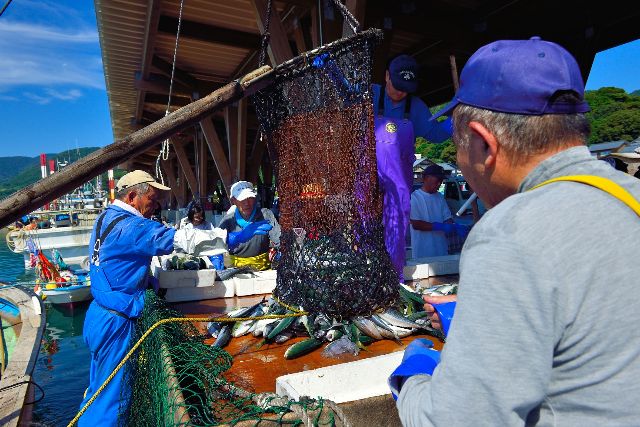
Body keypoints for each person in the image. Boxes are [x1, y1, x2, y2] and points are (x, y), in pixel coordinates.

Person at [390, 37, 640, 425]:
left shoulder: (509, 232)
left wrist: (412, 377)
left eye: (458, 145)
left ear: (484, 144)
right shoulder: (629, 195)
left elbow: (454, 420)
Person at [79, 171, 271, 426]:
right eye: (152, 198)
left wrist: (146, 280)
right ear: (133, 196)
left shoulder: (106, 217)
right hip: (116, 322)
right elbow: (180, 240)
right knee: (113, 399)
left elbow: (114, 262)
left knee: (99, 388)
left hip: (98, 315)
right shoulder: (131, 226)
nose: (156, 204)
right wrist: (230, 238)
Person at [372, 54, 452, 282]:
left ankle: (392, 277)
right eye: (397, 86)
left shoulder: (416, 107)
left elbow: (435, 134)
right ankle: (362, 275)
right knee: (363, 223)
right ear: (386, 76)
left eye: (406, 89)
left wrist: (455, 122)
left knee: (396, 227)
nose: (400, 93)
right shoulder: (368, 94)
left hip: (398, 184)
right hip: (366, 176)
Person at [218, 181, 280, 271]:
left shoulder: (266, 215)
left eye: (250, 198)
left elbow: (279, 239)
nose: (246, 203)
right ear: (233, 201)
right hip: (234, 270)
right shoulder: (227, 221)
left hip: (262, 270)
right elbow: (218, 246)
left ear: (255, 198)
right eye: (242, 199)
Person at [410, 164, 456, 257]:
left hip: (441, 251)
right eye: (437, 180)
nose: (439, 183)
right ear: (426, 178)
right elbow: (416, 224)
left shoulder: (440, 197)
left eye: (441, 180)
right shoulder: (414, 197)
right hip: (422, 253)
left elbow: (448, 218)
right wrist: (439, 226)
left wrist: (451, 226)